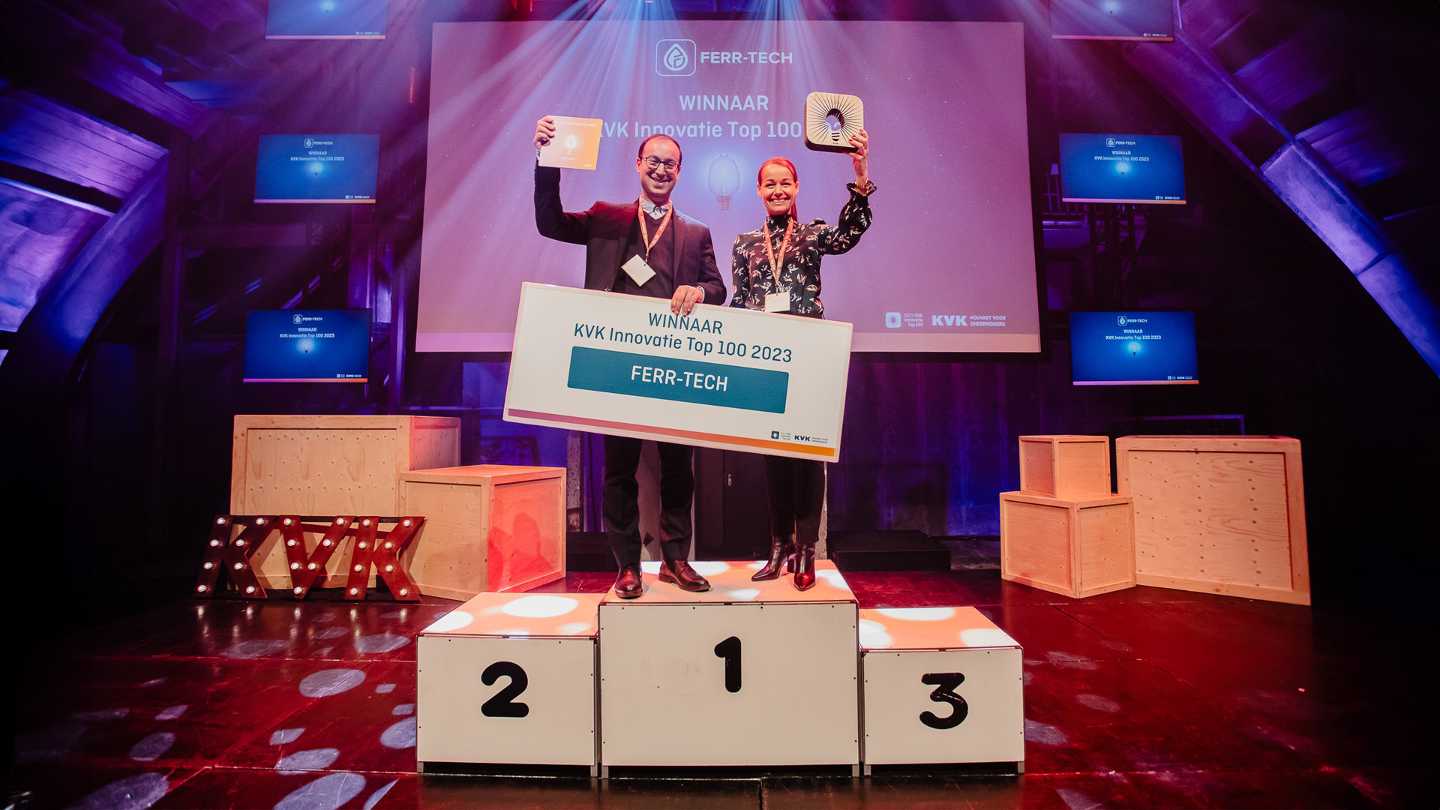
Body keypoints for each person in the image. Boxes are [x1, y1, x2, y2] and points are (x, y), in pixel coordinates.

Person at [533, 117, 726, 599]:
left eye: (670, 164)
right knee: (618, 470)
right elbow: (549, 223)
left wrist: (700, 292)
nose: (661, 170)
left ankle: (676, 559)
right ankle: (627, 566)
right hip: (615, 366)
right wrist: (547, 160)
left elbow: (718, 287)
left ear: (680, 171)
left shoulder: (696, 232)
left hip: (674, 367)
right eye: (653, 161)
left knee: (678, 468)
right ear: (638, 164)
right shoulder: (607, 216)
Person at [729, 131, 874, 590]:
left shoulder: (811, 234)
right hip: (766, 363)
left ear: (796, 188)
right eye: (769, 183)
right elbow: (739, 302)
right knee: (774, 458)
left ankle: (808, 548)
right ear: (758, 190)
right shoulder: (744, 243)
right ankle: (779, 546)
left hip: (809, 358)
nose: (777, 190)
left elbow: (849, 235)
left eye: (785, 183)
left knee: (808, 456)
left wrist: (860, 175)